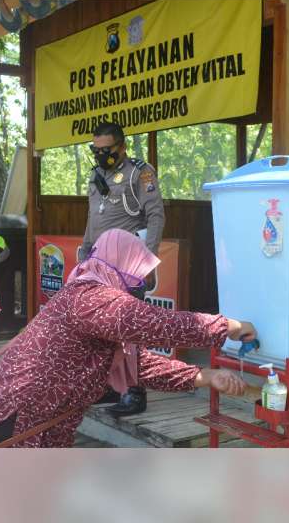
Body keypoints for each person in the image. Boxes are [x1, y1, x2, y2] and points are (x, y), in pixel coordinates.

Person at [0, 229, 253, 448]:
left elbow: (137, 366)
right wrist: (228, 327)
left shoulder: (93, 301)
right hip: (8, 422)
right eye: (136, 271)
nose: (138, 282)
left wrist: (204, 376)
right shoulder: (90, 296)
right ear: (117, 263)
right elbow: (156, 323)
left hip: (33, 428)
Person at [80, 122, 166, 416]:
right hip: (98, 264)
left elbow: (155, 216)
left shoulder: (139, 173)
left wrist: (149, 259)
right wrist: (83, 255)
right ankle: (109, 385)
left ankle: (135, 391)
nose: (101, 155)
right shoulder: (95, 176)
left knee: (129, 328)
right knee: (102, 329)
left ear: (122, 147)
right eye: (96, 150)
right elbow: (93, 219)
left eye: (107, 150)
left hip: (128, 265)